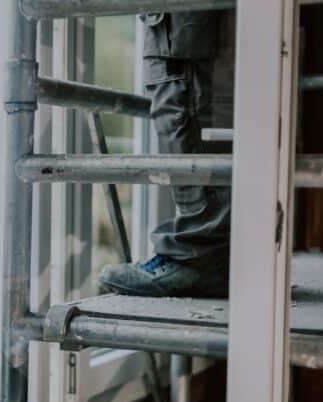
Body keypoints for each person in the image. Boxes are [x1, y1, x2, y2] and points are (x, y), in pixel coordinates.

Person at [100, 10, 236, 297]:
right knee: (185, 116)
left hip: (186, 31)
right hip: (186, 30)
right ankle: (207, 255)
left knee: (185, 115)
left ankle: (199, 257)